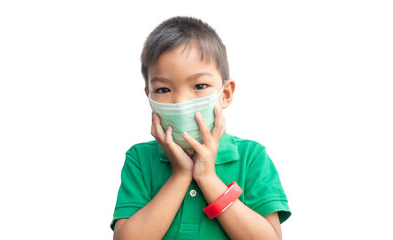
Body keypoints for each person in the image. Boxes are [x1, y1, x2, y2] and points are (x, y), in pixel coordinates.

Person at [111, 16, 291, 239]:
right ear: (149, 97)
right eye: (164, 90)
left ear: (224, 94)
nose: (180, 102)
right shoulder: (140, 158)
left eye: (199, 86)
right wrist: (180, 174)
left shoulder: (252, 157)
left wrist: (208, 178)